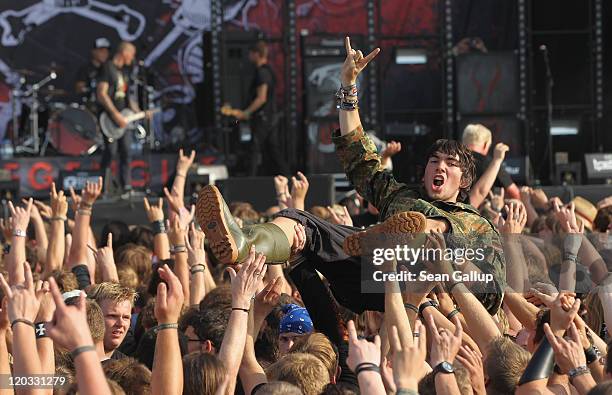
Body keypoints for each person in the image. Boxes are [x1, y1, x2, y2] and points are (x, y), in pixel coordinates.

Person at [195, 36, 506, 315]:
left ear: (465, 181)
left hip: (425, 296)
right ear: (423, 170)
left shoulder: (478, 223)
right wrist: (348, 86)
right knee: (299, 221)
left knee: (435, 229)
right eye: (434, 160)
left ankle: (405, 236)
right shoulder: (400, 196)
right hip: (369, 269)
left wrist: (443, 251)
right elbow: (360, 156)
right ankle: (245, 241)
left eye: (450, 163)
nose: (440, 166)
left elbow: (493, 293)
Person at [231, 40, 289, 176]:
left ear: (257, 54)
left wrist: (246, 112)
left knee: (254, 148)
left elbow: (261, 98)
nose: (249, 56)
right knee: (272, 149)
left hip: (264, 117)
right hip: (269, 116)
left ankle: (251, 181)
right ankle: (288, 177)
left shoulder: (262, 73)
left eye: (251, 53)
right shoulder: (267, 71)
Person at [96, 41, 139, 197]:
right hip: (109, 118)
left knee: (126, 151)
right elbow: (102, 93)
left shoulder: (124, 73)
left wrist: (139, 112)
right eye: (131, 55)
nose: (132, 59)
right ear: (125, 53)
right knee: (110, 151)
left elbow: (127, 98)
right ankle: (103, 189)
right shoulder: (107, 67)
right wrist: (114, 114)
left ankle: (126, 187)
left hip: (124, 119)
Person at [462, 123, 520, 201]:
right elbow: (515, 194)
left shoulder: (452, 160)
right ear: (485, 145)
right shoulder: (492, 164)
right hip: (481, 211)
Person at [75, 37, 111, 111]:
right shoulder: (85, 69)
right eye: (101, 51)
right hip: (89, 107)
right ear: (93, 51)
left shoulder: (108, 69)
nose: (105, 54)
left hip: (106, 108)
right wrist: (93, 89)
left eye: (107, 51)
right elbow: (79, 89)